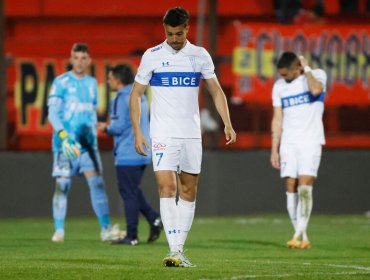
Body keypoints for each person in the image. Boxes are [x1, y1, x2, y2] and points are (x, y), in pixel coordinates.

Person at [129, 7, 236, 267]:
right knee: (167, 188)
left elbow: (216, 91)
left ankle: (179, 249)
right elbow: (135, 95)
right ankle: (175, 250)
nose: (174, 39)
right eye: (169, 34)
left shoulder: (199, 56)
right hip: (163, 134)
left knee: (188, 190)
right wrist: (138, 131)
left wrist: (227, 123)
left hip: (190, 134)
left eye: (178, 33)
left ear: (187, 29)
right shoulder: (152, 56)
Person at [47, 43, 125, 242]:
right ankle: (59, 231)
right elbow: (53, 114)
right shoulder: (60, 82)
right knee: (62, 185)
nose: (80, 62)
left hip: (89, 147)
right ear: (71, 59)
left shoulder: (92, 83)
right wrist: (64, 136)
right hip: (66, 145)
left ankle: (105, 228)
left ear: (89, 61)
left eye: (83, 58)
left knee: (97, 184)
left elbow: (90, 112)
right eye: (76, 58)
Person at [98, 65, 162, 246]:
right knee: (132, 190)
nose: (108, 81)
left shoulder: (120, 98)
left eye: (110, 78)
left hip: (128, 151)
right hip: (143, 151)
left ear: (117, 80)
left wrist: (105, 128)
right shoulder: (139, 96)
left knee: (128, 193)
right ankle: (154, 219)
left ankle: (132, 235)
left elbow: (119, 127)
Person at [270, 52, 327, 249]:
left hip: (310, 141)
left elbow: (315, 90)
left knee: (304, 186)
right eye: (281, 74)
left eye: (287, 74)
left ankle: (297, 235)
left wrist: (307, 68)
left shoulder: (317, 75)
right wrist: (274, 149)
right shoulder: (278, 87)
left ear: (298, 68)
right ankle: (302, 236)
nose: (283, 78)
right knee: (291, 187)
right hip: (288, 143)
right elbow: (277, 118)